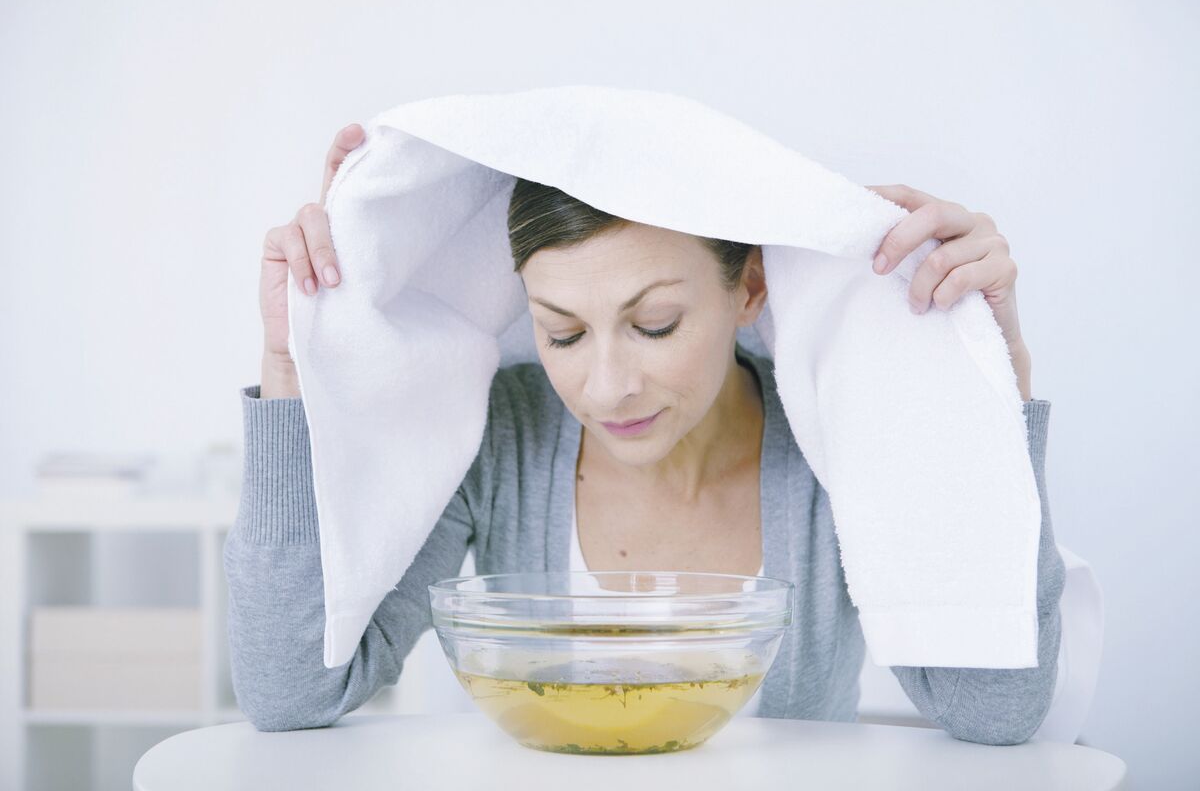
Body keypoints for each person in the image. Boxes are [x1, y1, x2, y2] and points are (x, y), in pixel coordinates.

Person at [225, 124, 1064, 744]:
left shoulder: (829, 442)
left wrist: (989, 383)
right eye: (562, 333)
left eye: (655, 324)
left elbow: (995, 713)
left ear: (749, 289)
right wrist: (291, 364)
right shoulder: (501, 435)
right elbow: (291, 693)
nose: (607, 386)